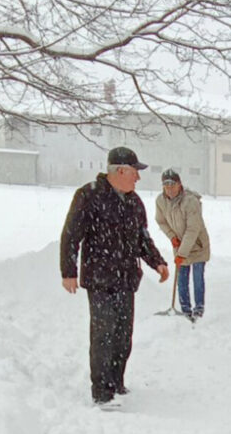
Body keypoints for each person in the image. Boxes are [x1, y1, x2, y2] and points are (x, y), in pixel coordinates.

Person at [60, 146, 169, 407]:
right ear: (120, 171)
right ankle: (102, 392)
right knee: (103, 335)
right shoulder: (89, 195)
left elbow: (142, 239)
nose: (138, 178)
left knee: (122, 336)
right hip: (99, 279)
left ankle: (117, 381)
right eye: (134, 172)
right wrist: (68, 271)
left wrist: (157, 262)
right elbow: (71, 235)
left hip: (126, 279)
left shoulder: (134, 202)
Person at [155, 169, 210, 322]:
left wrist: (182, 254)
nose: (169, 188)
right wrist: (172, 237)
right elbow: (161, 221)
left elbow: (193, 229)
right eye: (165, 185)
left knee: (197, 277)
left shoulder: (190, 202)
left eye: (172, 184)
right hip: (180, 244)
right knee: (182, 278)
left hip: (198, 245)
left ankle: (198, 309)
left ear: (179, 185)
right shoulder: (161, 201)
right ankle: (185, 309)